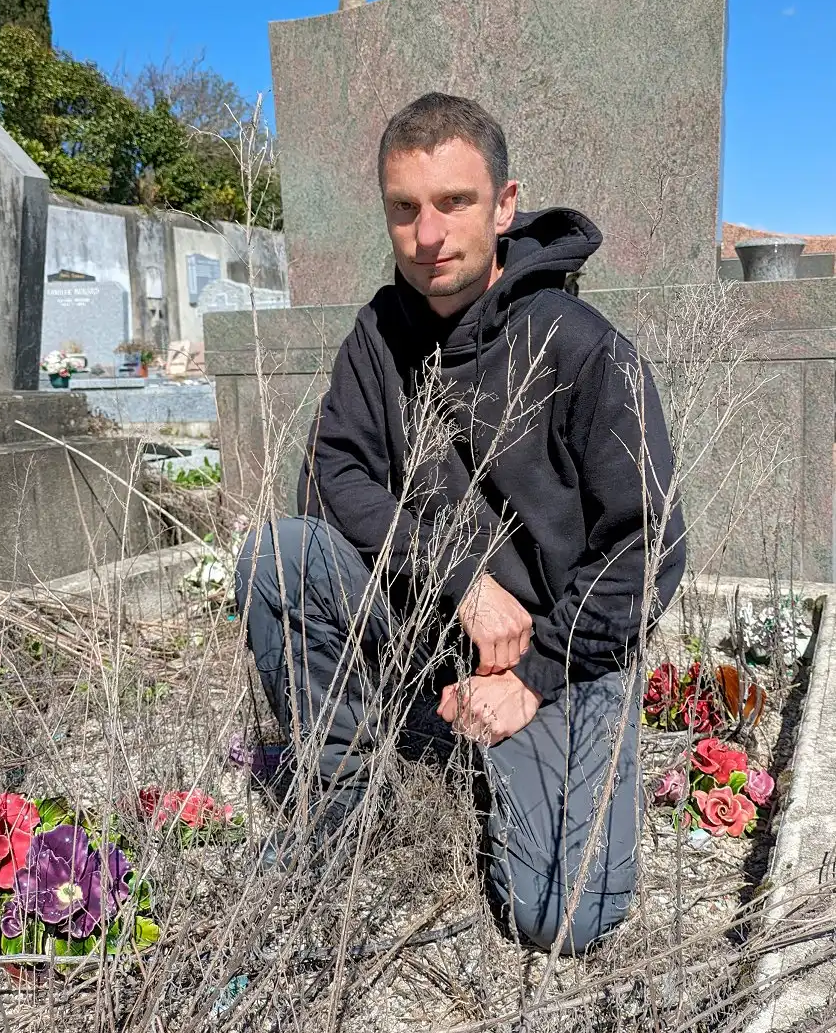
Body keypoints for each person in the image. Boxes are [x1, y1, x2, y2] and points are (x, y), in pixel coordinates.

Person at [236, 92, 685, 952]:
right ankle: (345, 804)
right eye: (404, 208)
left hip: (560, 653)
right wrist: (457, 577)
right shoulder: (379, 332)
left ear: (505, 204)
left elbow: (649, 541)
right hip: (429, 631)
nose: (428, 234)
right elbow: (334, 477)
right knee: (280, 558)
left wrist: (536, 672)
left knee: (563, 913)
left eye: (454, 202)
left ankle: (508, 751)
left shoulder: (581, 346)